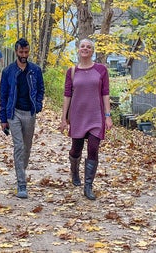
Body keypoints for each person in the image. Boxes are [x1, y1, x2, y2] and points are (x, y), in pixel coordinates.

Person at [59, 38, 112, 200]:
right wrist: (63, 118)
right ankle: (74, 171)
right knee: (76, 149)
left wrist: (108, 116)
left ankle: (88, 186)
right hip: (77, 116)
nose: (85, 49)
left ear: (92, 51)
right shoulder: (72, 71)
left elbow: (105, 93)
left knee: (93, 148)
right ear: (78, 49)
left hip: (96, 116)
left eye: (89, 47)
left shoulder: (101, 70)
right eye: (83, 46)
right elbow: (67, 95)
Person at [0, 38, 45, 198]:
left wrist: (38, 105)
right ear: (16, 52)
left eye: (26, 52)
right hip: (14, 113)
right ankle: (21, 184)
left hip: (30, 113)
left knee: (26, 147)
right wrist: (3, 118)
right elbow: (3, 96)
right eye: (21, 52)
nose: (24, 55)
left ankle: (21, 170)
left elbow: (40, 89)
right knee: (18, 146)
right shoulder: (8, 72)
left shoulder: (35, 70)